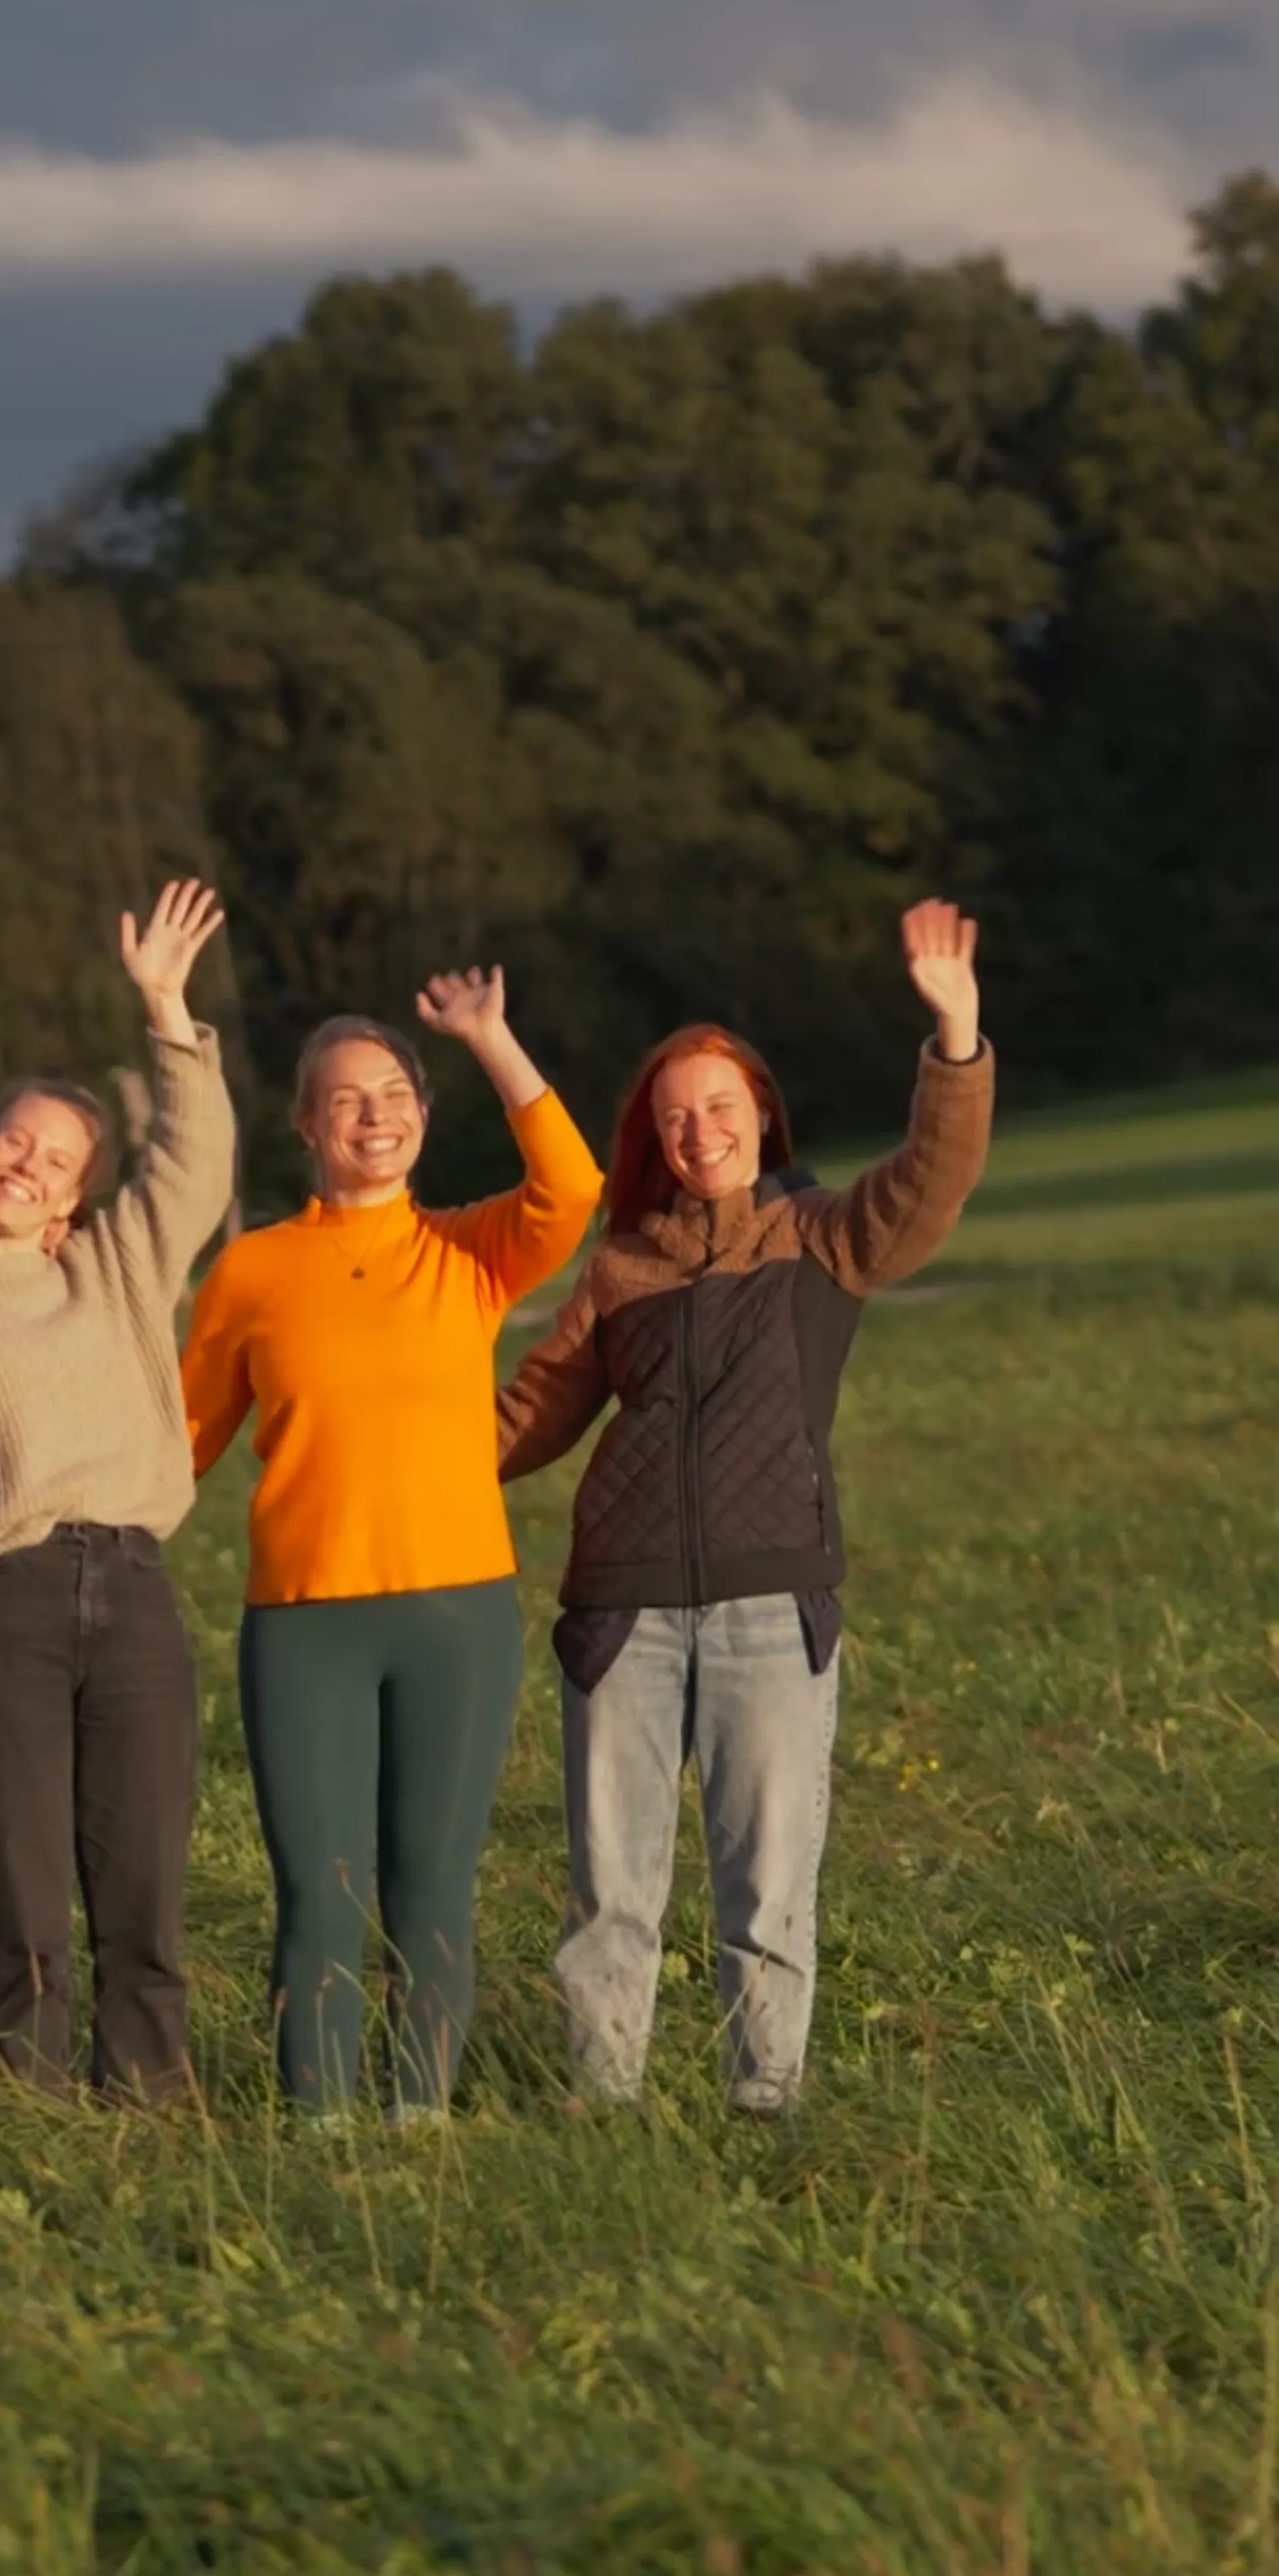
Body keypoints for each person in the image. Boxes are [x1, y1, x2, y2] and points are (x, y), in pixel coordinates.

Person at [496, 898, 993, 2117]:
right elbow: (524, 1419)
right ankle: (599, 2106)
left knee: (767, 1887)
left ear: (760, 1114)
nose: (698, 1130)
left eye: (719, 1107)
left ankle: (763, 2107)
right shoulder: (620, 1268)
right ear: (650, 1139)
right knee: (611, 1889)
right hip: (620, 1613)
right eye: (674, 1117)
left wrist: (956, 1034)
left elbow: (933, 1177)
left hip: (774, 1605)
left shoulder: (823, 1235)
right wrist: (380, 1447)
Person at [181, 971, 601, 2115]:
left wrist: (490, 1038)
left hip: (456, 1616)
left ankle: (418, 2123)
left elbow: (572, 1186)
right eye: (345, 1098)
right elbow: (178, 1444)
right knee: (320, 1891)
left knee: (431, 1886)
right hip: (305, 1620)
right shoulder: (253, 1271)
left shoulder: (470, 1252)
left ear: (422, 1110)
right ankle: (320, 2126)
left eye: (395, 1092)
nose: (375, 1113)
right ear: (307, 1123)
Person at [0, 882, 237, 2101]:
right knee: (25, 1896)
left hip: (134, 1591)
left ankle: (149, 2104)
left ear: (76, 1196)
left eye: (57, 1159)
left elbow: (195, 1167)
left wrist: (164, 1008)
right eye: (16, 1142)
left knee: (141, 1887)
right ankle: (32, 2118)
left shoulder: (117, 1267)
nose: (29, 1166)